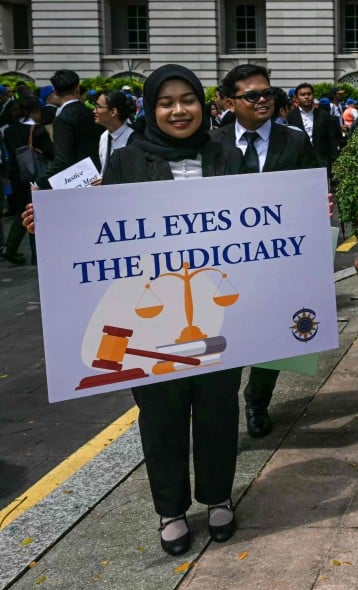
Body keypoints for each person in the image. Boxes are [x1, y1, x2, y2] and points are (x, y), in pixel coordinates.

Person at [24, 64, 246, 555]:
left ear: (202, 104)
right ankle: (170, 509)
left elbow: (259, 226)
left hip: (217, 309)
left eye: (187, 99)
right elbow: (100, 229)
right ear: (150, 107)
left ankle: (217, 496)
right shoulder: (126, 161)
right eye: (166, 102)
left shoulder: (227, 154)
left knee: (216, 408)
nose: (178, 110)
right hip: (151, 313)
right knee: (160, 413)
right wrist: (53, 224)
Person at [214, 64, 318, 438]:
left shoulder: (294, 141)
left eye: (268, 94)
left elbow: (311, 188)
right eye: (252, 96)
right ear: (230, 101)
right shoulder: (213, 144)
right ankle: (221, 404)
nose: (263, 101)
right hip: (224, 264)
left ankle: (258, 401)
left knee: (275, 336)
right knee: (224, 336)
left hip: (279, 263)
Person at [1, 98, 53, 266]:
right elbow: (50, 153)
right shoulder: (37, 130)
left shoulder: (9, 131)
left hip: (17, 177)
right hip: (36, 177)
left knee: (21, 212)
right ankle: (37, 257)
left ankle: (10, 248)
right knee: (36, 215)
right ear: (34, 110)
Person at [38, 70, 104, 189]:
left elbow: (62, 160)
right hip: (98, 178)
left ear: (55, 92)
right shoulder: (91, 113)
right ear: (78, 88)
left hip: (75, 182)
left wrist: (40, 183)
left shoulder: (62, 119)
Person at [287, 82, 342, 183]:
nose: (307, 97)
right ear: (296, 98)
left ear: (313, 95)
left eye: (309, 94)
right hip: (299, 163)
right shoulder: (290, 117)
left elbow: (331, 139)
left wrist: (334, 161)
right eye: (303, 95)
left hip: (322, 161)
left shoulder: (324, 116)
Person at [94, 90, 135, 173]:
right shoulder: (104, 136)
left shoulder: (134, 141)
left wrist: (107, 180)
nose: (94, 111)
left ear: (113, 112)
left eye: (98, 106)